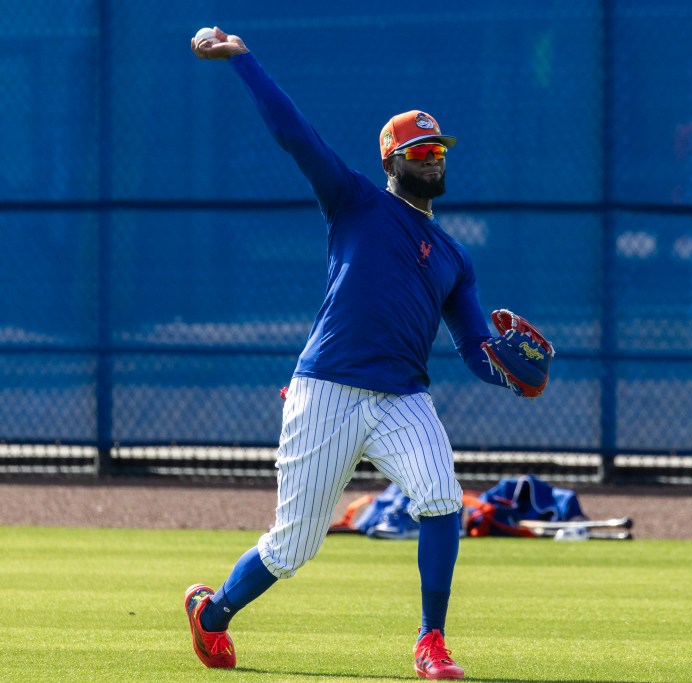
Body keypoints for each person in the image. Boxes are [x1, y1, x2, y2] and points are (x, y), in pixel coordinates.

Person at [185, 27, 545, 680]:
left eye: (440, 149)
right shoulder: (355, 202)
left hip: (403, 396)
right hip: (327, 387)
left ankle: (431, 640)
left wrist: (512, 373)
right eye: (422, 148)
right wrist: (243, 60)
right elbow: (297, 136)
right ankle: (213, 615)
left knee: (441, 499)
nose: (435, 157)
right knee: (293, 547)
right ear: (394, 158)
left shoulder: (456, 260)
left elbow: (475, 350)